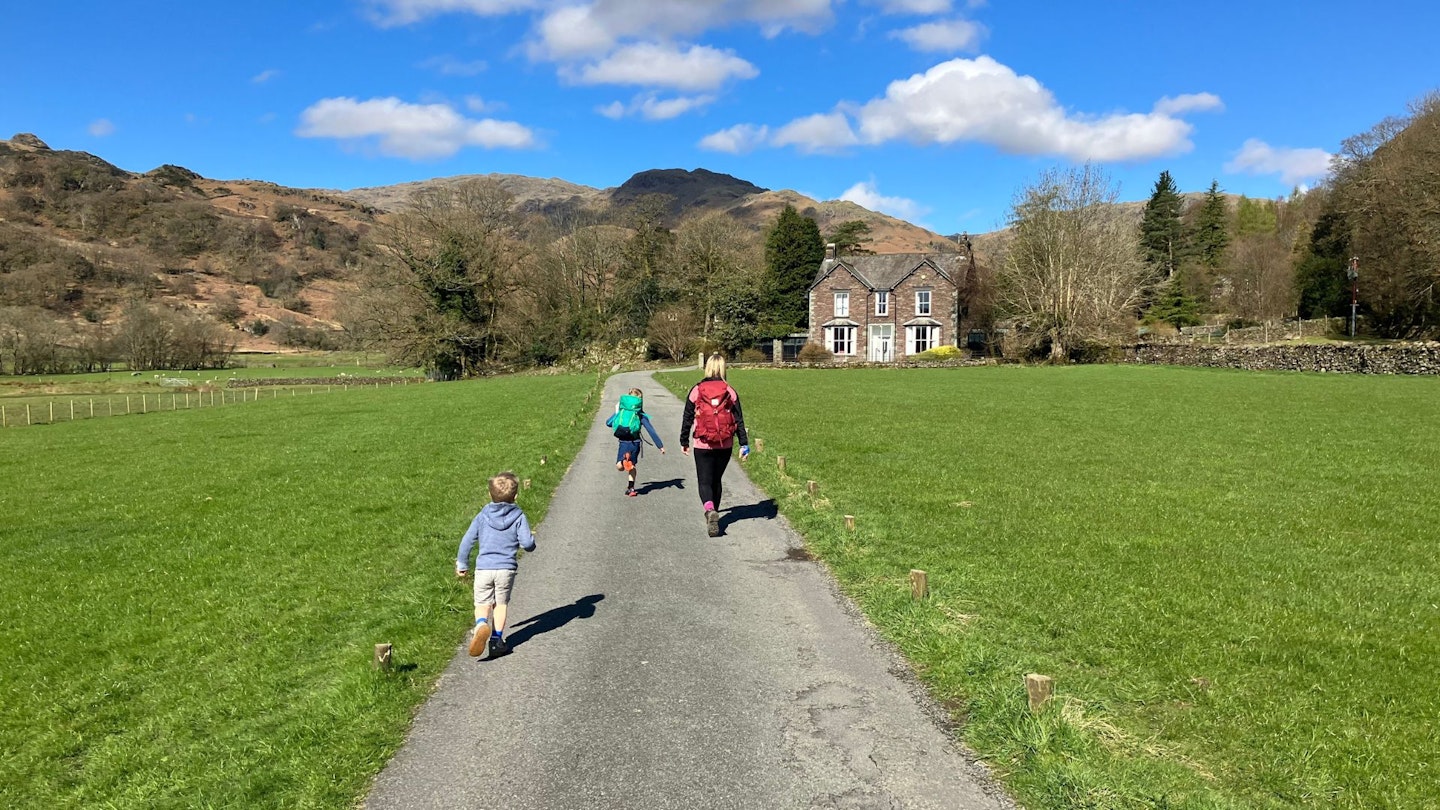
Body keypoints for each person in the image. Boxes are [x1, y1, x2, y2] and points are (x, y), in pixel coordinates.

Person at [455, 471, 536, 659]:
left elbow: (467, 541)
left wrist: (462, 563)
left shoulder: (482, 516)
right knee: (501, 604)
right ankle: (496, 640)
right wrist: (530, 543)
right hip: (506, 569)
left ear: (490, 494)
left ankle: (481, 623)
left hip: (484, 568)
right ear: (515, 496)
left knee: (482, 603)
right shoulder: (519, 516)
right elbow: (528, 544)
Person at [680, 355, 749, 537]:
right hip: (724, 444)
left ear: (707, 367)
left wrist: (684, 441)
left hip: (702, 443)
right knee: (716, 480)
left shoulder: (697, 389)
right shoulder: (730, 391)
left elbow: (687, 417)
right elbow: (739, 419)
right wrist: (744, 444)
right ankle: (714, 512)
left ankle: (710, 510)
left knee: (704, 481)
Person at [604, 387, 665, 497]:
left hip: (623, 443)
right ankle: (631, 488)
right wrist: (660, 445)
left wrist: (617, 412)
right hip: (635, 443)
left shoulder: (622, 412)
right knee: (632, 466)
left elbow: (608, 423)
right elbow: (650, 430)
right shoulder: (640, 414)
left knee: (619, 466)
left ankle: (624, 463)